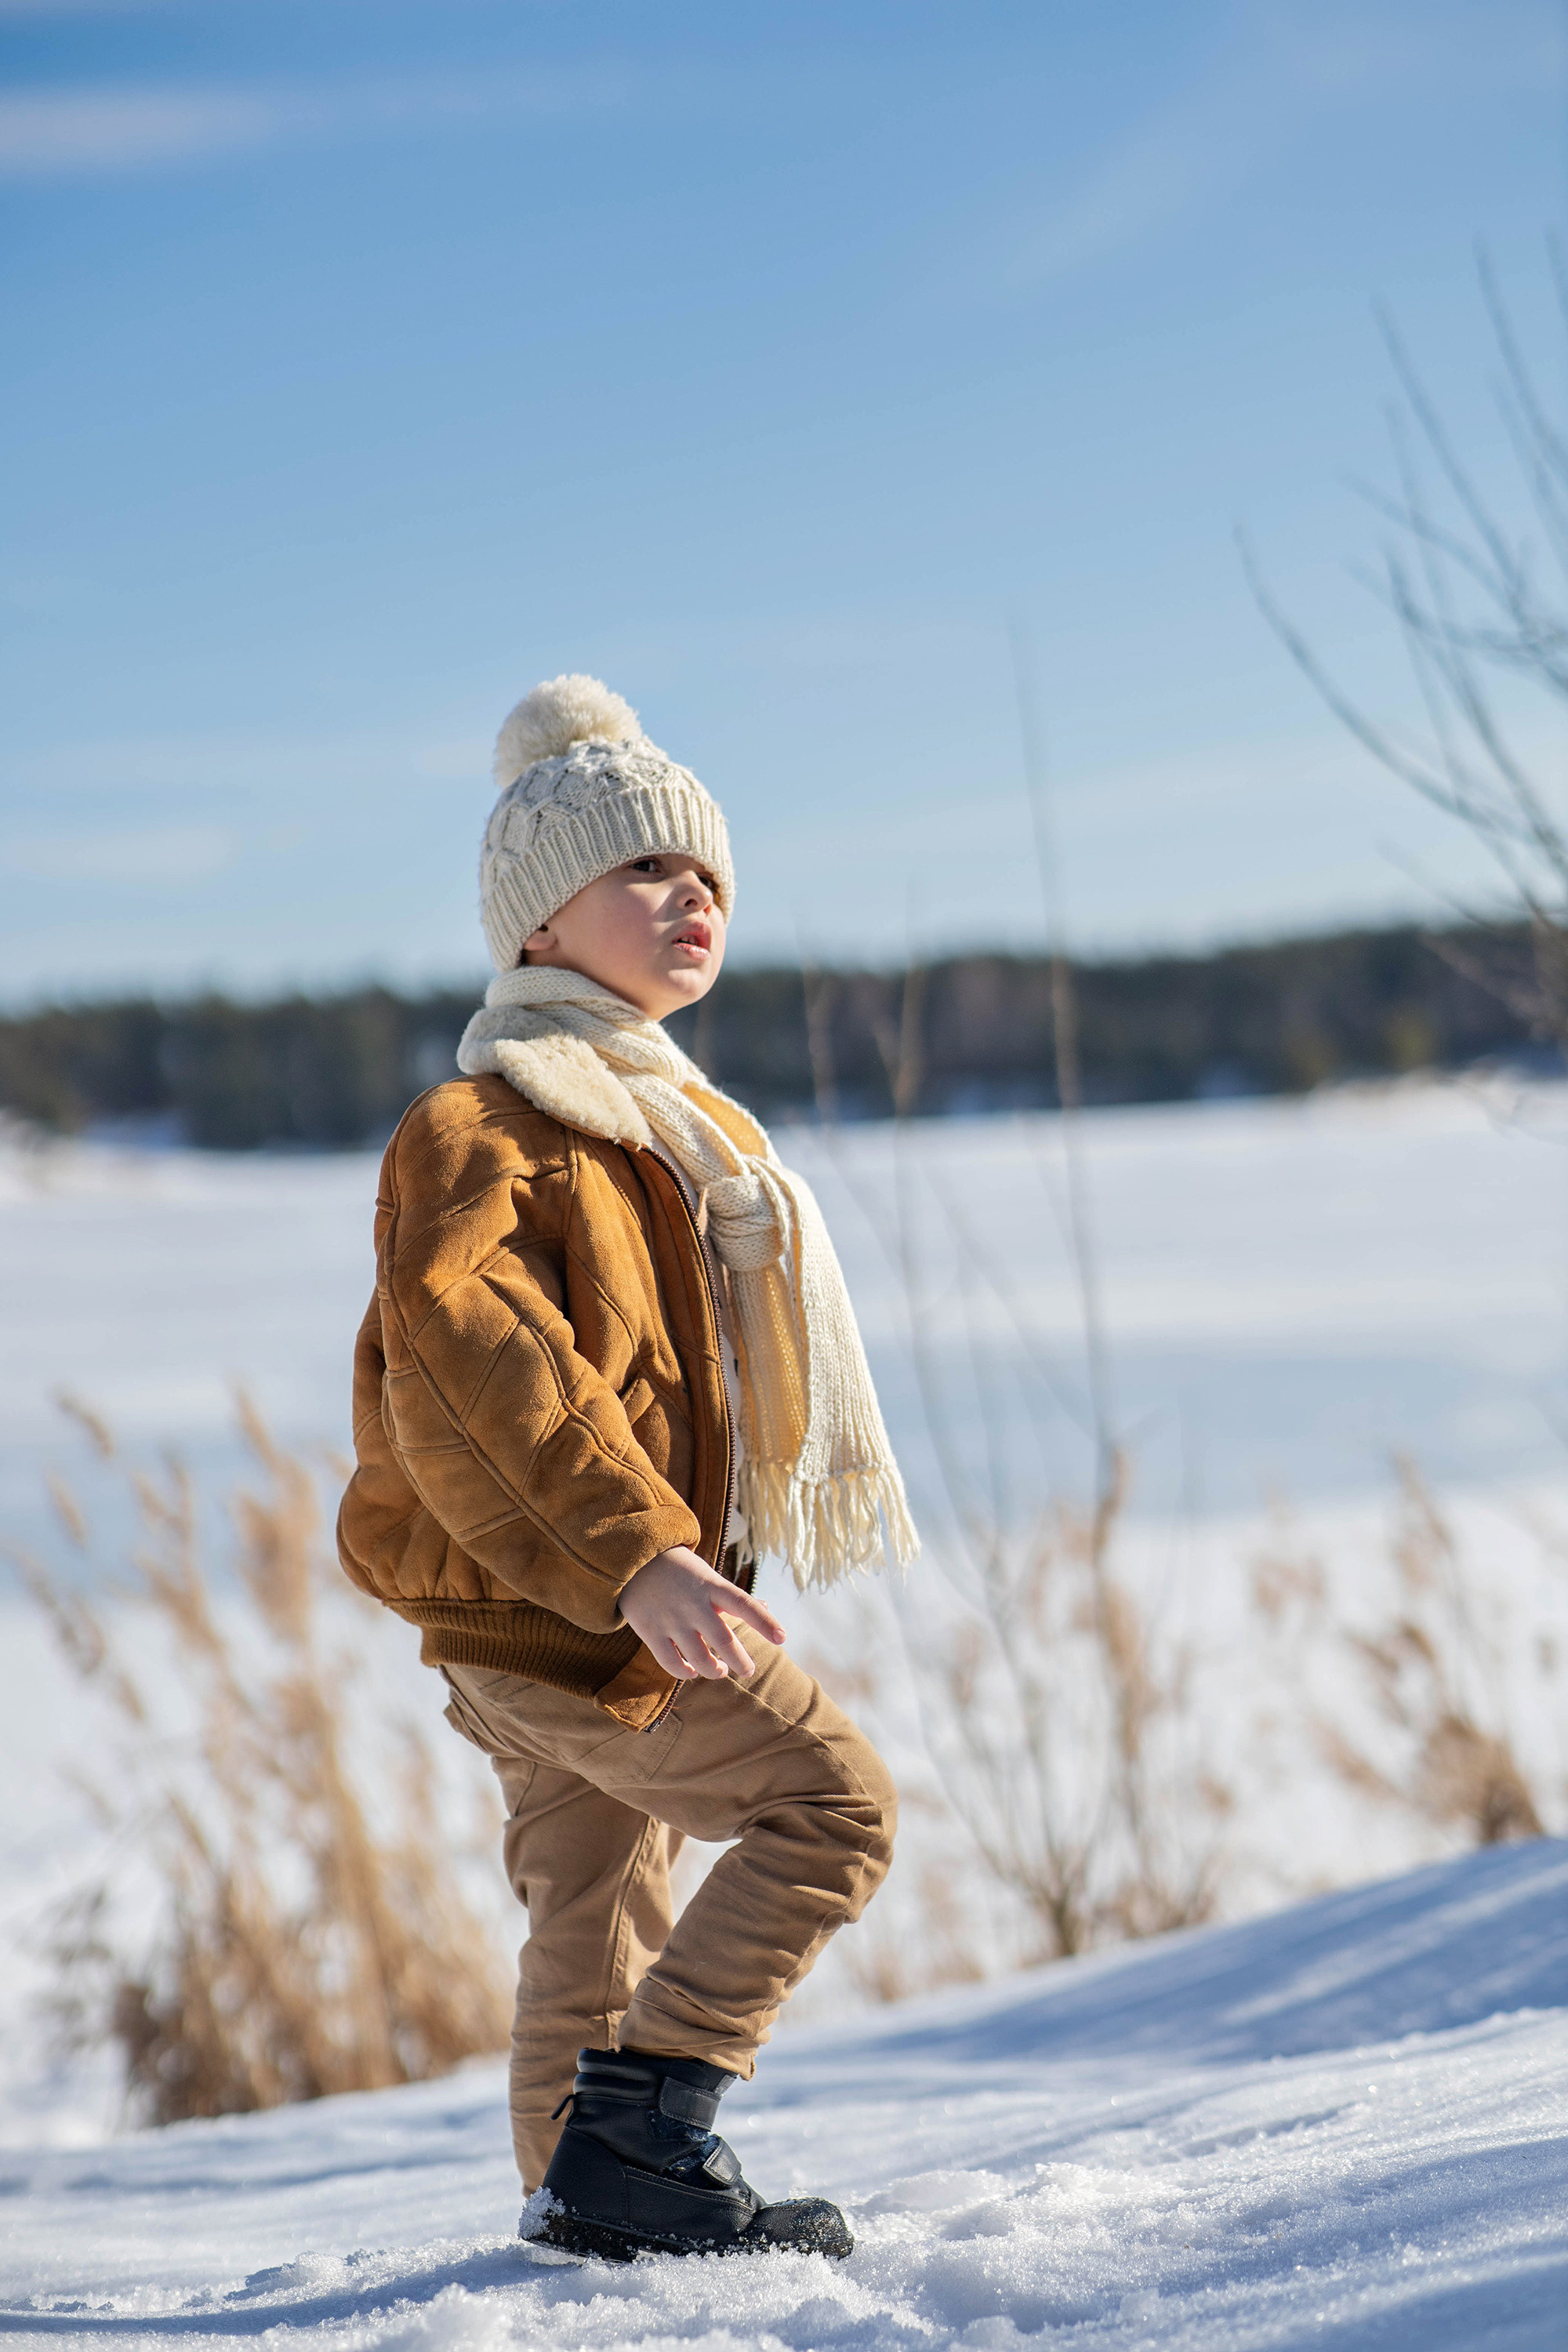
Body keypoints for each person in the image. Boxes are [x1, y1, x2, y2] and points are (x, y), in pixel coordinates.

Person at [336, 673, 916, 2263]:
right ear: (538, 922)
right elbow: (482, 1374)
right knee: (832, 1806)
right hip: (574, 1604)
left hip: (572, 1606)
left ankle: (588, 2226)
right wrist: (638, 1554)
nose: (691, 897)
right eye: (645, 869)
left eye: (707, 872)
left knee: (595, 1928)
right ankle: (651, 2131)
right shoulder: (483, 1126)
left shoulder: (668, 1126)